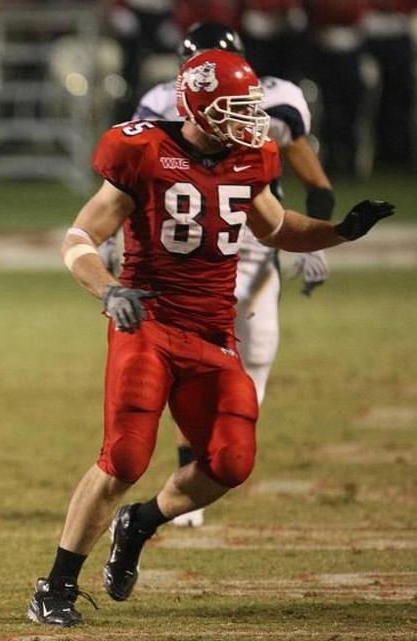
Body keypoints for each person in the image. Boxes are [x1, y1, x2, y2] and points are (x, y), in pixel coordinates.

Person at [27, 49, 393, 628]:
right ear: (198, 105)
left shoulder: (250, 158)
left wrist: (340, 232)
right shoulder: (141, 150)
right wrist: (109, 290)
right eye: (236, 108)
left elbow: (277, 228)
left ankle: (141, 523)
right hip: (147, 322)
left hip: (212, 332)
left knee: (231, 461)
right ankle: (57, 584)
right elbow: (80, 236)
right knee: (123, 458)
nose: (250, 121)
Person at [112, 21, 337, 527]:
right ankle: (192, 468)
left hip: (255, 231)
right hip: (184, 248)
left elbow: (310, 175)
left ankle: (219, 457)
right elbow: (129, 186)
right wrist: (113, 242)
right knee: (190, 351)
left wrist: (320, 236)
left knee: (257, 346)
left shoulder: (276, 100)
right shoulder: (158, 107)